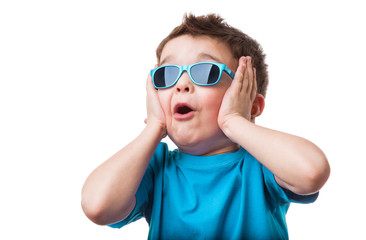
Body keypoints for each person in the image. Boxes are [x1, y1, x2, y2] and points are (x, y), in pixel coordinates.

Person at [81, 13, 330, 239]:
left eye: (206, 72)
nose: (181, 85)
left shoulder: (262, 163)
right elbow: (97, 207)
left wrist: (234, 121)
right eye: (167, 75)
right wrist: (153, 129)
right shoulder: (155, 165)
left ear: (252, 105)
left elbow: (311, 172)